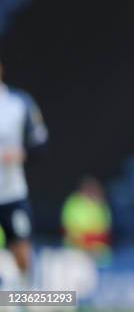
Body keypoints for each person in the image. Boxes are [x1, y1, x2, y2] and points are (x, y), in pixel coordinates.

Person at [0, 58, 48, 285]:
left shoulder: (18, 104)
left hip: (12, 194)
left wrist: (21, 154)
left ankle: (26, 299)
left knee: (22, 253)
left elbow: (39, 143)